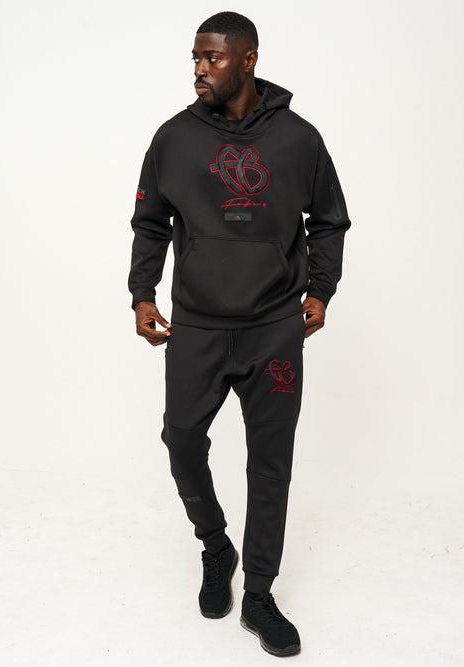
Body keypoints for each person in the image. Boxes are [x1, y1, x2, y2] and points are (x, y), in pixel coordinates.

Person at [127, 11, 351, 658]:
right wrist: (142, 293)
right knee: (181, 440)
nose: (200, 69)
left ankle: (258, 593)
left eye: (213, 58)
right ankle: (215, 544)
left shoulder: (299, 139)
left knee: (270, 463)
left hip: (273, 328)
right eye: (195, 58)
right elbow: (150, 222)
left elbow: (329, 220)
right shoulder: (174, 137)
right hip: (197, 324)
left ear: (248, 60)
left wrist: (320, 289)